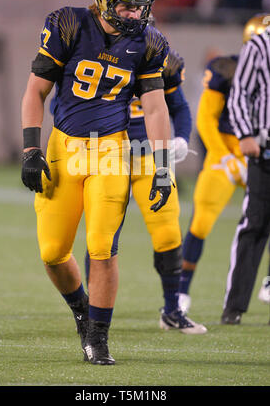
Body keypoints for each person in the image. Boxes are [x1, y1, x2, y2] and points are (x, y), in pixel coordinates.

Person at [21, 0, 175, 365]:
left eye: (140, 7)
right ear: (105, 2)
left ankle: (98, 337)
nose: (135, 15)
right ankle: (80, 308)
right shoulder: (69, 24)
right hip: (63, 148)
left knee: (102, 247)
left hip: (110, 151)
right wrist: (29, 149)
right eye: (126, 7)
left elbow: (157, 109)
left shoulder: (150, 42)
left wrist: (162, 168)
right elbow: (35, 91)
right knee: (53, 252)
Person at [85, 47, 207, 334]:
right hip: (108, 154)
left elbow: (178, 107)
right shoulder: (94, 57)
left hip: (150, 155)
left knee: (168, 232)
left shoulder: (164, 62)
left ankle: (172, 309)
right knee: (102, 235)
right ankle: (92, 312)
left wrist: (179, 137)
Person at [177, 14, 270, 315]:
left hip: (261, 151)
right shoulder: (225, 68)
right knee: (201, 220)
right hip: (227, 151)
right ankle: (181, 291)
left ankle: (267, 280)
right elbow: (205, 118)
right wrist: (227, 157)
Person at [221, 14, 270, 325]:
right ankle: (235, 306)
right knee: (254, 226)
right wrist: (245, 134)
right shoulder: (261, 44)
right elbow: (239, 93)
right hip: (265, 151)